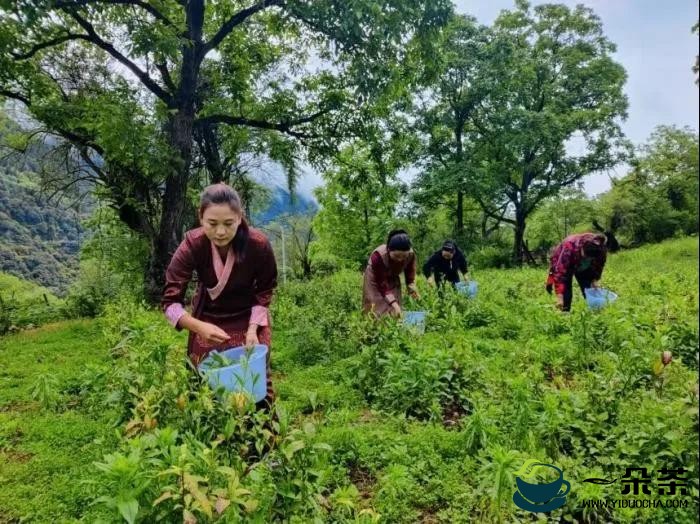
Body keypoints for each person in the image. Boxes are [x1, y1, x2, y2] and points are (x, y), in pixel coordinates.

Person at [161, 183, 278, 407]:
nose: (220, 232)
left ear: (240, 217)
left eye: (229, 223)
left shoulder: (258, 244)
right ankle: (213, 434)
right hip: (207, 317)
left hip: (249, 316)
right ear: (201, 217)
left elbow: (264, 289)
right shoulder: (192, 245)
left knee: (255, 377)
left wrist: (253, 329)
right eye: (212, 224)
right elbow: (170, 303)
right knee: (204, 381)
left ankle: (263, 434)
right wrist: (198, 327)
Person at [545, 232, 611, 312]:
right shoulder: (569, 246)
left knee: (589, 289)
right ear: (582, 248)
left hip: (584, 268)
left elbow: (599, 265)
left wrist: (595, 279)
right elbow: (560, 273)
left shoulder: (600, 249)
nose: (587, 259)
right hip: (567, 264)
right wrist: (559, 297)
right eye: (586, 256)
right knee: (566, 294)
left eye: (590, 258)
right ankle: (564, 315)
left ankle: (596, 313)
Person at [362, 229, 420, 317]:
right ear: (389, 250)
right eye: (396, 256)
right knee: (375, 305)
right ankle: (373, 328)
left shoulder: (411, 255)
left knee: (395, 305)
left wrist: (412, 289)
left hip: (393, 275)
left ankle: (393, 326)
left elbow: (409, 275)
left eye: (404, 256)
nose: (400, 259)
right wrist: (394, 304)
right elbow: (382, 285)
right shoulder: (378, 256)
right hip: (375, 278)